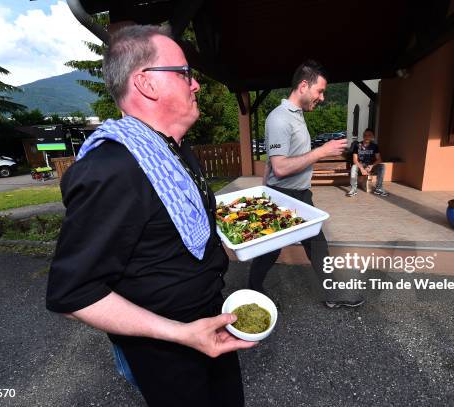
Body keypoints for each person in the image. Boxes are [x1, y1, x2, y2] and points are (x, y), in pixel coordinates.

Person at [45, 25, 256, 407]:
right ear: (146, 83)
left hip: (211, 319)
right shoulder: (112, 169)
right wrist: (181, 334)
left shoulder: (174, 152)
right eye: (185, 73)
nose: (196, 85)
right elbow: (73, 293)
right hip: (168, 349)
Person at [251, 60, 364, 309]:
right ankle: (253, 291)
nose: (322, 97)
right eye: (320, 91)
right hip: (284, 196)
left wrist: (263, 187)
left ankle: (331, 294)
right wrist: (321, 152)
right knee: (271, 249)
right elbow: (280, 167)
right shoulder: (279, 119)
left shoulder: (297, 114)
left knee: (315, 245)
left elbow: (272, 162)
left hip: (297, 195)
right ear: (303, 85)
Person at [346, 128, 389, 197]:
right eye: (365, 135)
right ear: (363, 136)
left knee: (382, 166)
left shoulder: (374, 146)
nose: (366, 137)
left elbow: (379, 159)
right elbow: (355, 160)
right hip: (360, 166)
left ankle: (378, 188)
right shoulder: (357, 146)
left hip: (370, 166)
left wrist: (371, 166)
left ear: (372, 137)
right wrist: (362, 168)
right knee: (354, 166)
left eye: (369, 135)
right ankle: (353, 189)